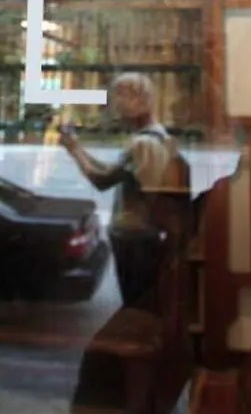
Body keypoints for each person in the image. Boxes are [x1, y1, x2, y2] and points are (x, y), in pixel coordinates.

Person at [58, 72, 187, 310]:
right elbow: (115, 172)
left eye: (121, 97)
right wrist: (78, 148)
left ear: (141, 99)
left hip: (137, 237)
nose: (116, 105)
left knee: (138, 306)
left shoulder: (144, 143)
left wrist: (74, 151)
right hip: (143, 236)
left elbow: (102, 180)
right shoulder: (155, 138)